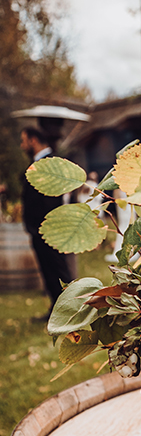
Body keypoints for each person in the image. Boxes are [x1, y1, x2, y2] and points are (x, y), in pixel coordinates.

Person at [20, 126, 73, 321]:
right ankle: (57, 309)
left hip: (48, 229)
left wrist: (46, 227)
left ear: (33, 140)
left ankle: (71, 309)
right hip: (38, 230)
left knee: (58, 270)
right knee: (49, 272)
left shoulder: (50, 163)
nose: (22, 145)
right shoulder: (35, 163)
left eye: (23, 140)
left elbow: (52, 198)